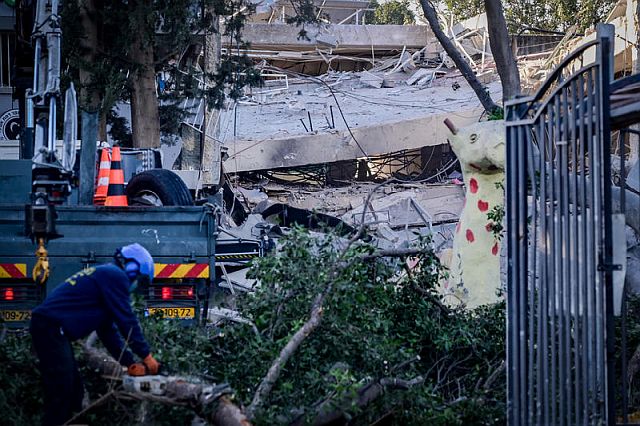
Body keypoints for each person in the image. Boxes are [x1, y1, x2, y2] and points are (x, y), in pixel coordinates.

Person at [30, 243, 160, 426]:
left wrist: (130, 363)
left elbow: (108, 332)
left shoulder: (106, 278)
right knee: (62, 389)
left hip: (52, 329)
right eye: (141, 280)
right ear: (133, 268)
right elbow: (126, 320)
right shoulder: (115, 276)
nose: (138, 285)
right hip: (50, 328)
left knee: (74, 390)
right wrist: (146, 356)